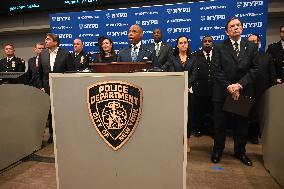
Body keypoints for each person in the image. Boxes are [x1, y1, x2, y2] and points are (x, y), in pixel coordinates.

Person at [211, 17, 258, 166]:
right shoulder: (218, 47)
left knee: (241, 125)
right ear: (227, 31)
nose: (235, 27)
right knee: (220, 125)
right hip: (223, 92)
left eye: (238, 25)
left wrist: (239, 85)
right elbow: (216, 70)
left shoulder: (251, 46)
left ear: (242, 28)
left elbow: (255, 68)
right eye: (232, 26)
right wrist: (230, 87)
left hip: (242, 91)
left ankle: (240, 152)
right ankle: (217, 151)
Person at [39, 33, 75, 143]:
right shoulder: (43, 54)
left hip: (62, 89)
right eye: (45, 39)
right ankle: (51, 134)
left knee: (62, 112)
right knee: (50, 112)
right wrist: (41, 86)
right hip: (47, 88)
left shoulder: (66, 54)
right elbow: (40, 73)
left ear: (55, 42)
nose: (46, 41)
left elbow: (71, 72)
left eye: (48, 39)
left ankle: (65, 133)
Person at [248, 34, 277, 144]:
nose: (253, 44)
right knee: (244, 115)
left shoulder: (267, 57)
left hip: (262, 91)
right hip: (246, 90)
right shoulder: (242, 57)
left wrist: (272, 90)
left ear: (259, 43)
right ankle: (243, 135)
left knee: (257, 115)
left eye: (254, 41)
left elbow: (272, 75)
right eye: (250, 42)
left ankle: (254, 135)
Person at [164, 35, 194, 137]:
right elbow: (172, 72)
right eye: (180, 43)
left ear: (188, 44)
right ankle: (175, 138)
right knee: (176, 116)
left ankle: (187, 140)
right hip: (175, 92)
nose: (183, 44)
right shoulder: (172, 59)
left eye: (185, 42)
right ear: (177, 46)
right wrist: (179, 85)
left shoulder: (193, 58)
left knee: (188, 117)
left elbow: (195, 75)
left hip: (189, 92)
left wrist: (186, 84)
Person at [191, 36, 214, 137]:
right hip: (200, 88)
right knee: (199, 111)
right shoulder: (195, 56)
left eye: (209, 41)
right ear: (202, 43)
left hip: (214, 89)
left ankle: (212, 130)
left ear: (212, 43)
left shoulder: (218, 55)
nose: (207, 43)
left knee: (213, 112)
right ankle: (199, 129)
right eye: (205, 41)